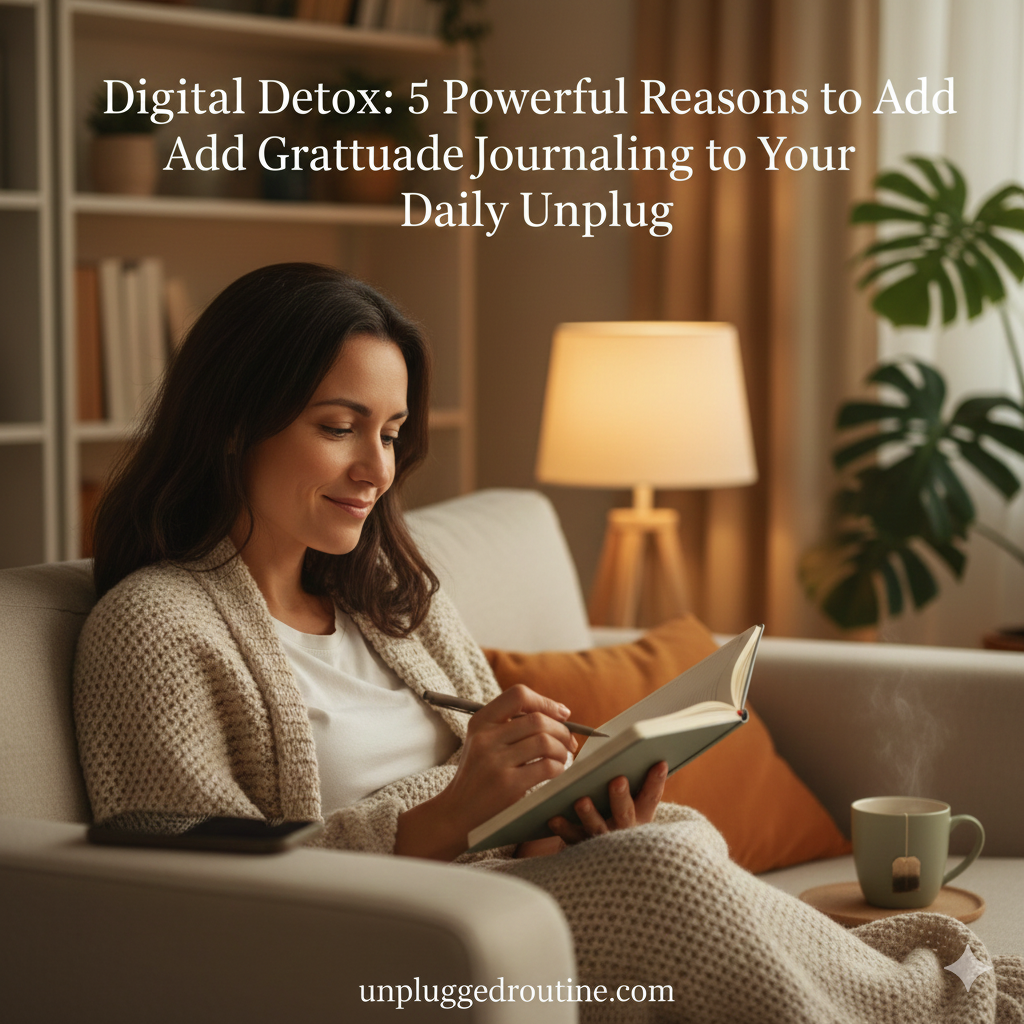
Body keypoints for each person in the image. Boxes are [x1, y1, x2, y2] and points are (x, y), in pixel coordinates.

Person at [74, 263, 1023, 1023]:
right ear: (235, 421)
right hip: (384, 949)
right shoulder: (156, 625)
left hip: (502, 900)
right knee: (662, 875)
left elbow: (494, 807)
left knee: (671, 839)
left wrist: (567, 807)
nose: (377, 470)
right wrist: (449, 815)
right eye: (338, 428)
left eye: (394, 433)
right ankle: (940, 1007)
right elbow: (196, 900)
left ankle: (922, 1004)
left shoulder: (395, 600)